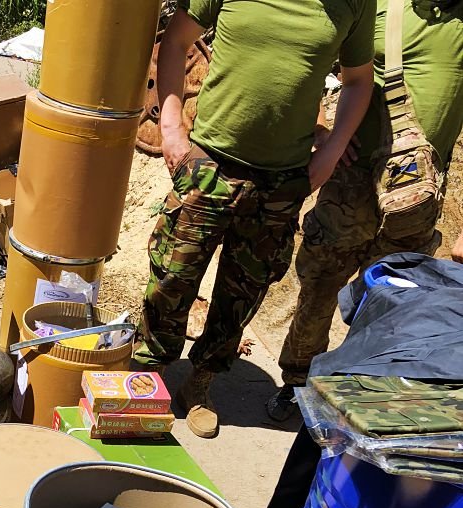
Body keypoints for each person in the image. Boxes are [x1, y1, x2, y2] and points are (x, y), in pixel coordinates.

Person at [133, 0, 376, 438]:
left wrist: (334, 148)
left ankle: (200, 383)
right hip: (209, 162)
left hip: (282, 180)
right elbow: (176, 40)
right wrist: (170, 127)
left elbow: (358, 80)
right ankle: (146, 375)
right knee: (172, 276)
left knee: (242, 292)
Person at [269, 0, 463, 421]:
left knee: (395, 298)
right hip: (350, 181)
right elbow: (310, 56)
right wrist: (322, 128)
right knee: (320, 284)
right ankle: (298, 382)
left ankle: (361, 392)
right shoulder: (378, 6)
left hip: (418, 193)